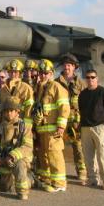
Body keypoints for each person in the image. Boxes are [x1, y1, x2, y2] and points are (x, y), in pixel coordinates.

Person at [33, 59, 70, 193]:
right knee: (43, 155)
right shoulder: (41, 88)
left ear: (52, 74)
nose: (43, 75)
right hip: (43, 129)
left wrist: (61, 126)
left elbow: (64, 107)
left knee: (55, 155)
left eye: (46, 73)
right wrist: (37, 119)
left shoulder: (56, 87)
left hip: (53, 129)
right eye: (41, 73)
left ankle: (60, 183)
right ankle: (46, 179)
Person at [78, 70, 104, 191]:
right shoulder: (82, 94)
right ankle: (93, 179)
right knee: (88, 155)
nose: (90, 79)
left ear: (97, 79)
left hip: (99, 127)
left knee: (102, 154)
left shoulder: (103, 92)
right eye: (88, 77)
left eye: (92, 77)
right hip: (85, 128)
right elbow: (81, 109)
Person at [0, 97, 34, 200]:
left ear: (17, 111)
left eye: (11, 111)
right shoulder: (0, 127)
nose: (9, 113)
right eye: (6, 111)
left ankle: (24, 190)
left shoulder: (25, 127)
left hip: (20, 159)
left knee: (19, 165)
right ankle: (19, 179)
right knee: (6, 187)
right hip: (4, 160)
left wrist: (12, 155)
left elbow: (27, 147)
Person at [56, 53, 87, 183]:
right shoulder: (57, 82)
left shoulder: (81, 84)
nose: (67, 67)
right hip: (61, 121)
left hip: (75, 122)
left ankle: (82, 171)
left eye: (69, 65)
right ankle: (59, 171)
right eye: (65, 65)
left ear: (74, 67)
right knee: (57, 147)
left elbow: (85, 103)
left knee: (78, 148)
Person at [0, 59, 34, 127]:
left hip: (20, 124)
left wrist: (27, 126)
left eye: (16, 72)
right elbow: (1, 109)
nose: (13, 74)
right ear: (8, 73)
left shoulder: (26, 88)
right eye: (11, 72)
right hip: (6, 126)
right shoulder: (3, 89)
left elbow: (29, 108)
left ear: (20, 73)